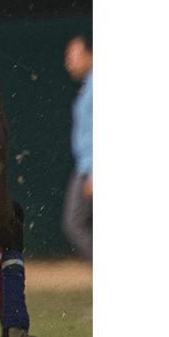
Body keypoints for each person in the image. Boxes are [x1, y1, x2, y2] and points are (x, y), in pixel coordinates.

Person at [61, 34, 93, 261]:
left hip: (90, 169)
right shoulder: (88, 85)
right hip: (85, 167)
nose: (68, 61)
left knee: (74, 223)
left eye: (73, 55)